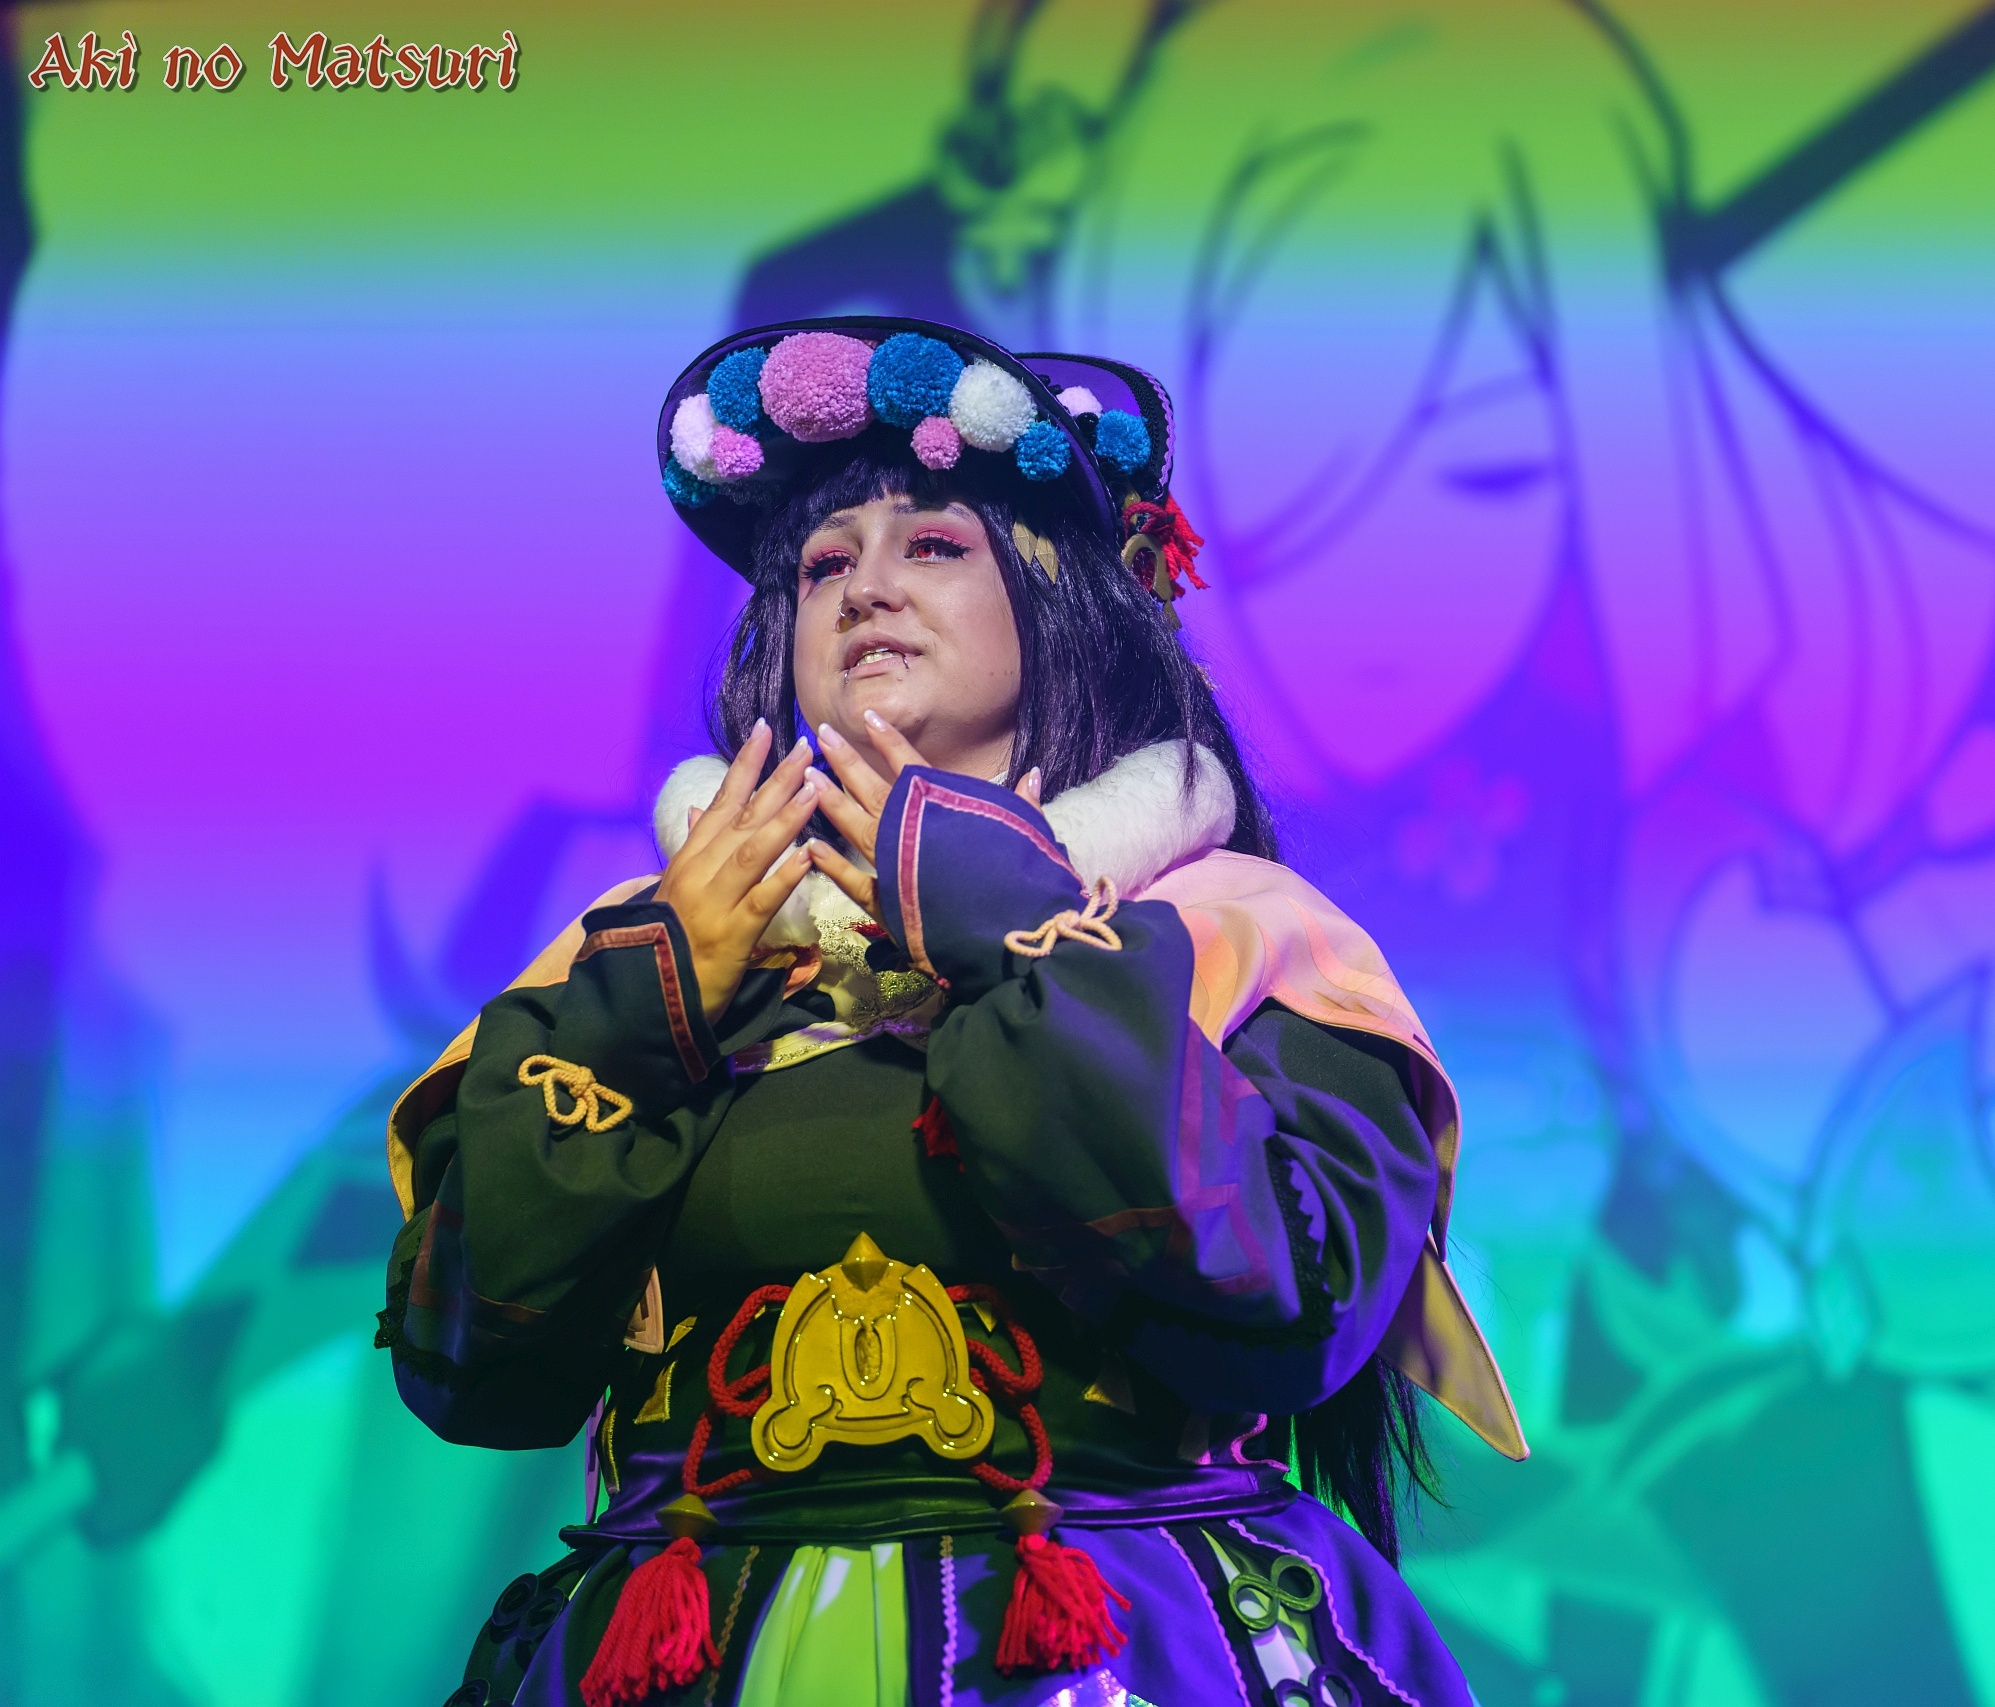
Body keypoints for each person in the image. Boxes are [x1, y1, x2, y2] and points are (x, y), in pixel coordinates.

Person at [376, 316, 1525, 1707]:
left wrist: (1011, 937)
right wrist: (646, 1005)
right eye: (823, 565)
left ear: (1063, 605)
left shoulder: (1241, 936)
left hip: (1117, 1649)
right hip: (692, 1655)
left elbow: (1289, 1310)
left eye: (931, 547)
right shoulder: (632, 959)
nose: (865, 590)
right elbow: (470, 1368)